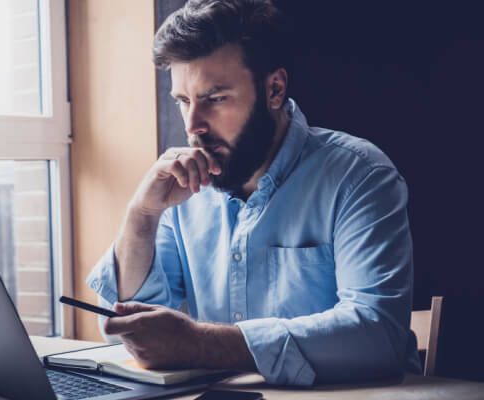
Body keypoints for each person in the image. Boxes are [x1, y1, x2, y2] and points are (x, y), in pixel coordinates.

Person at [86, 0, 421, 386]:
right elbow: (133, 330)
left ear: (274, 89)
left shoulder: (359, 174)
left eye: (214, 99)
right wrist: (141, 216)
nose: (193, 125)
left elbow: (377, 335)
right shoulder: (182, 190)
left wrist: (200, 344)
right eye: (183, 101)